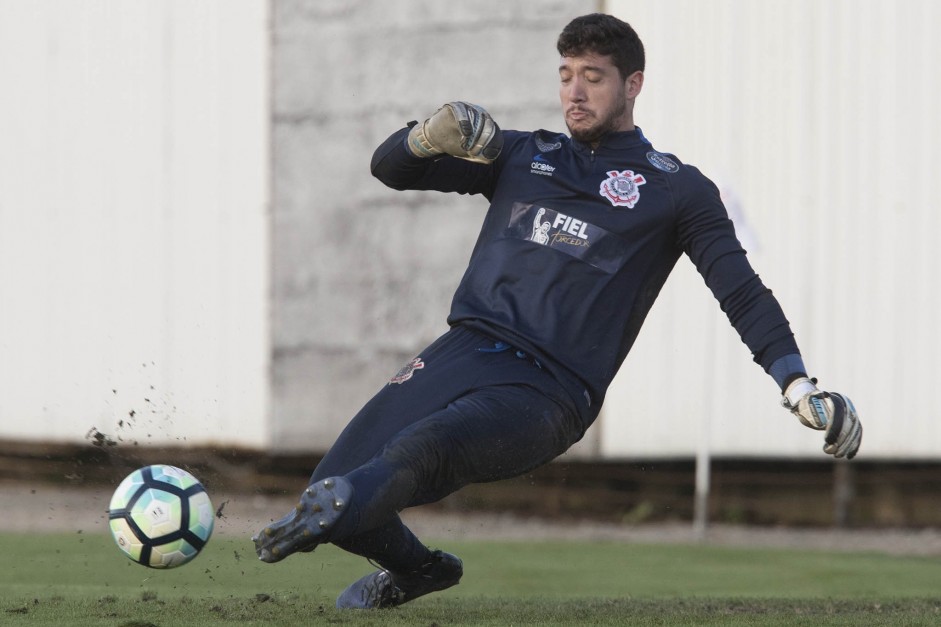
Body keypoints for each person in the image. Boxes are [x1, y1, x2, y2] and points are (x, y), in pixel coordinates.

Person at [253, 13, 863, 609]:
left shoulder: (677, 190)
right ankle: (420, 571)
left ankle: (356, 519)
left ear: (633, 84)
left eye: (593, 76)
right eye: (566, 73)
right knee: (331, 491)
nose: (575, 90)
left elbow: (741, 290)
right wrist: (425, 136)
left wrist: (798, 384)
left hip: (549, 389)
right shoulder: (522, 155)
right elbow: (391, 170)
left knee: (419, 450)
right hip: (461, 352)